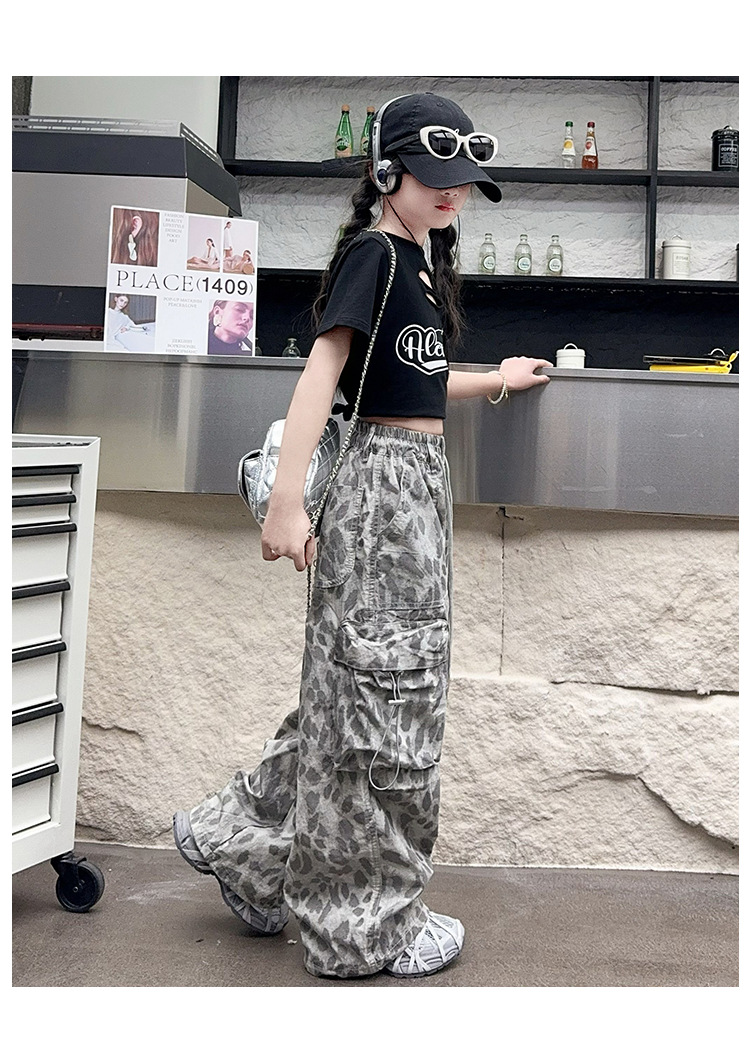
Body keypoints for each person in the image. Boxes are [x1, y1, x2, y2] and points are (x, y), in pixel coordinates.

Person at [174, 92, 551, 980]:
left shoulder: (415, 260)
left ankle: (243, 849)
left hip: (410, 487)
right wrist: (286, 501)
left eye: (464, 181)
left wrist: (495, 377)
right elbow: (326, 370)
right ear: (387, 172)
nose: (453, 192)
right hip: (383, 496)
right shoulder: (376, 254)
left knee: (349, 692)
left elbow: (414, 383)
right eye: (434, 175)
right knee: (384, 703)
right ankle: (361, 928)